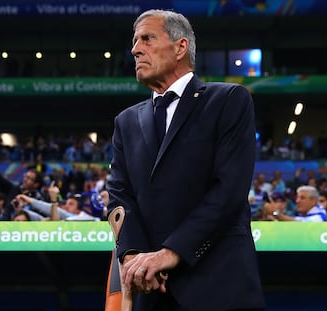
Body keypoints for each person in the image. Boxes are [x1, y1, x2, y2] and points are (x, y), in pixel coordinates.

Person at [106, 9, 264, 311]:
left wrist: (170, 253)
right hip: (150, 291)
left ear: (180, 47)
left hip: (218, 288)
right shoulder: (125, 121)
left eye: (147, 38)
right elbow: (119, 197)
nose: (135, 49)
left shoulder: (229, 100)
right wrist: (133, 257)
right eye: (135, 41)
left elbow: (228, 191)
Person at [0, 143, 44, 220]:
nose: (25, 179)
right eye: (25, 176)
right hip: (6, 227)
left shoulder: (38, 199)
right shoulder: (13, 190)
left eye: (29, 178)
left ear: (36, 184)